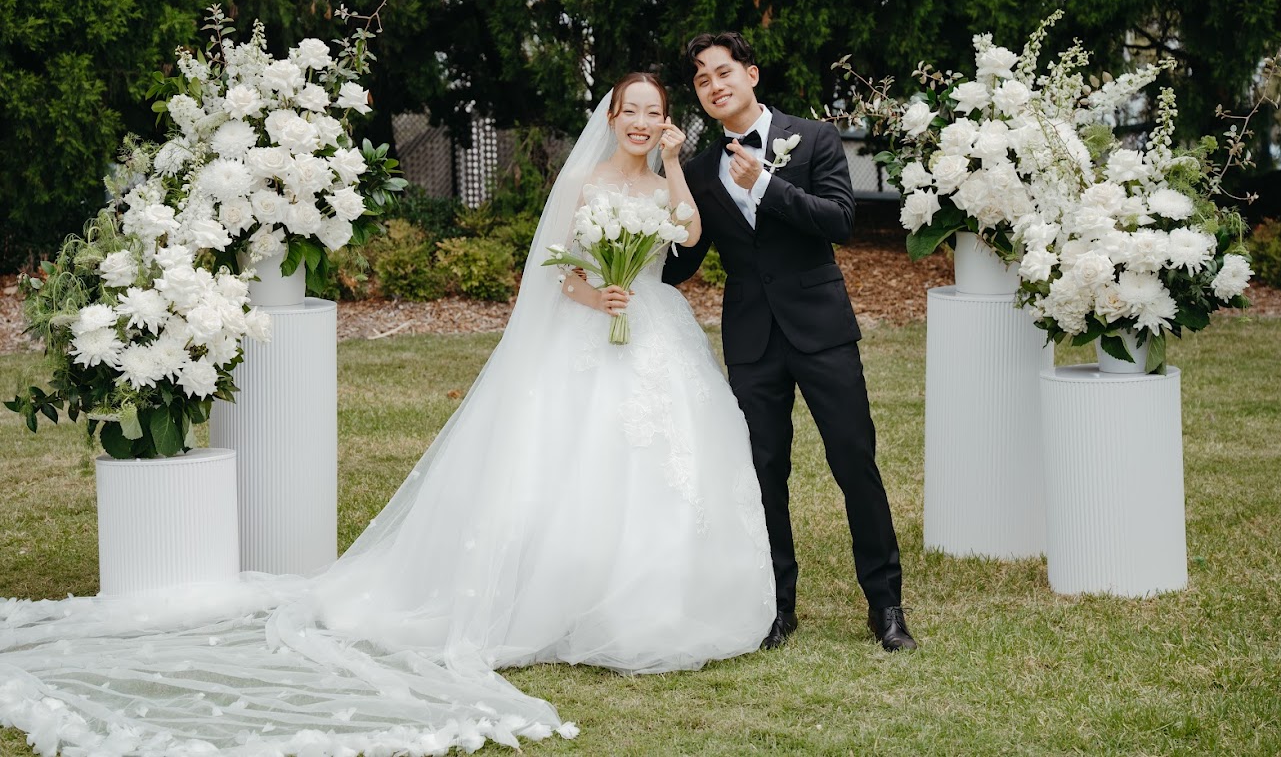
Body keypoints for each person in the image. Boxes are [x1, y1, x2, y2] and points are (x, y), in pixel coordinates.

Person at [0, 74, 775, 755]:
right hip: (594, 322)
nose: (640, 121)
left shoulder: (667, 171)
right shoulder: (587, 179)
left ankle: (646, 605)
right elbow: (560, 268)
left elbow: (690, 233)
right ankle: (559, 599)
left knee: (660, 467)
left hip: (654, 328)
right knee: (569, 465)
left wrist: (675, 163)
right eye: (630, 110)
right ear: (610, 116)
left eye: (653, 112)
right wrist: (591, 293)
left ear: (666, 120)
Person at [662, 32, 918, 652]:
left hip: (821, 329)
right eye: (702, 80)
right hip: (752, 338)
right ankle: (777, 607)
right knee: (762, 473)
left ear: (751, 75)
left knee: (854, 462)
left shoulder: (816, 139)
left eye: (724, 73)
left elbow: (841, 221)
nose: (714, 86)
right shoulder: (698, 170)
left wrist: (765, 187)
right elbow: (680, 266)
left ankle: (886, 607)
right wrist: (633, 243)